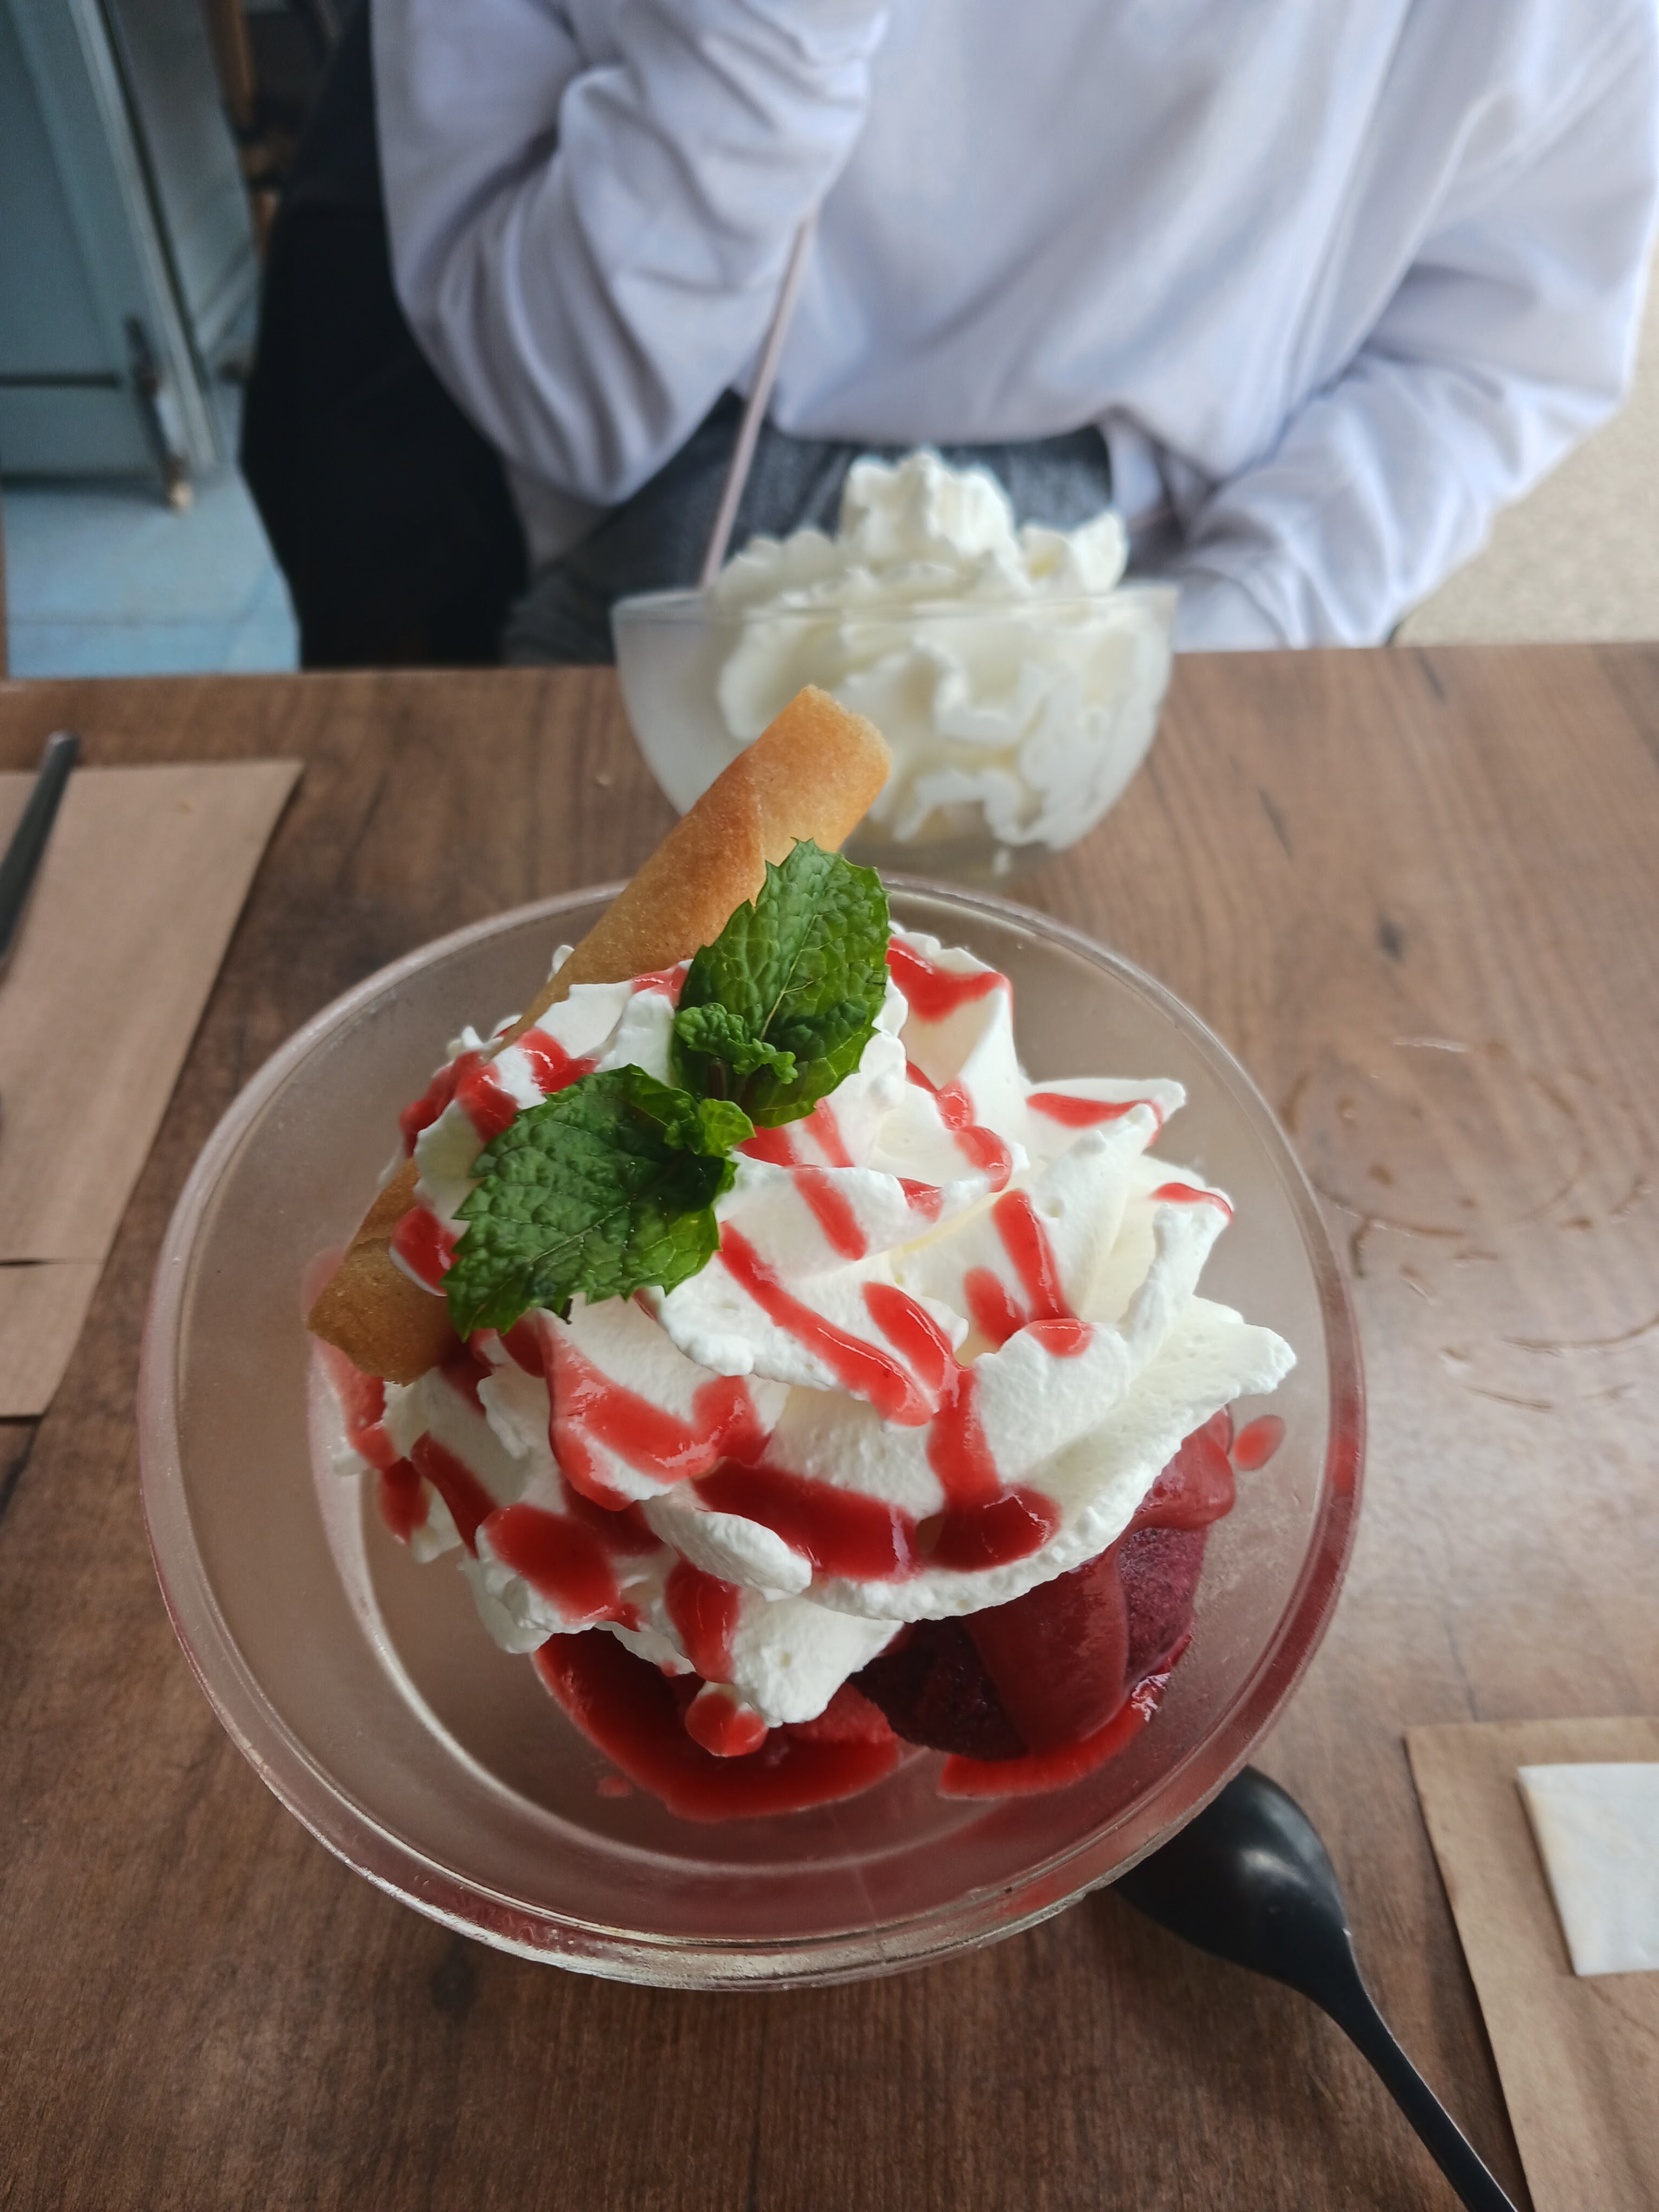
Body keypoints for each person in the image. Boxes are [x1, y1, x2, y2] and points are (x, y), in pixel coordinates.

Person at [249, 0, 1659, 666]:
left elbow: (1490, 348)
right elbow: (561, 401)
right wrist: (757, 38)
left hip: (1180, 569)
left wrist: (1237, 630)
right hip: (644, 510)